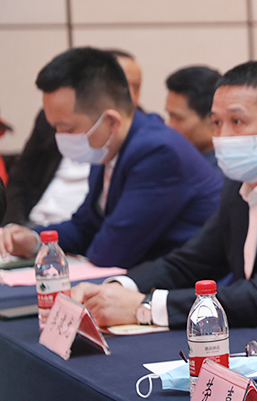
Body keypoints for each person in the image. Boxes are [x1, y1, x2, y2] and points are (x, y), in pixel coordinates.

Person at [70, 61, 257, 346]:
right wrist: (120, 287)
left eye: (237, 121)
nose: (223, 136)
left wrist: (146, 307)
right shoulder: (242, 180)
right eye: (217, 122)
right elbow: (190, 262)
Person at [0, 47, 222, 268]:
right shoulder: (108, 145)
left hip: (188, 282)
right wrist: (33, 240)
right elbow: (84, 226)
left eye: (67, 129)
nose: (60, 137)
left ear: (111, 121)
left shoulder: (158, 152)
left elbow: (111, 252)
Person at [3, 49, 146, 227]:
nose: (128, 93)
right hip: (35, 222)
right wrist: (13, 227)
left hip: (73, 231)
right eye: (122, 83)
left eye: (136, 86)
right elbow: (21, 176)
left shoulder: (136, 141)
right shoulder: (55, 117)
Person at [165, 65, 223, 175]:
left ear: (213, 120)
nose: (169, 126)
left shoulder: (225, 174)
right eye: (169, 116)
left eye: (178, 119)